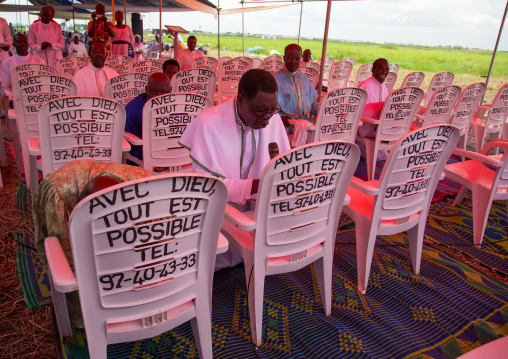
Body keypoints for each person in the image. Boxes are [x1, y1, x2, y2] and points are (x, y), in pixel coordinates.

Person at [180, 68, 290, 270]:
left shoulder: (271, 117)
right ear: (240, 100)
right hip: (219, 214)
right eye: (260, 111)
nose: (267, 118)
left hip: (257, 209)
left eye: (273, 110)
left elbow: (283, 164)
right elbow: (208, 187)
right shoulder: (208, 123)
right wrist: (259, 184)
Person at [33, 160, 154, 328]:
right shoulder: (60, 193)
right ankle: (82, 316)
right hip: (69, 194)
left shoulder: (150, 187)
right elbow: (64, 253)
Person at [124, 72, 171, 162]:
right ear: (146, 90)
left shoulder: (179, 107)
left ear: (170, 91)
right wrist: (152, 159)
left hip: (171, 157)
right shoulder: (132, 110)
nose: (158, 96)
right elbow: (133, 145)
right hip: (142, 159)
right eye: (153, 91)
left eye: (164, 92)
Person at [273, 44, 319, 124]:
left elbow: (313, 104)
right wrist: (280, 118)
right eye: (290, 58)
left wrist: (325, 113)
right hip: (284, 127)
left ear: (300, 58)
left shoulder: (304, 78)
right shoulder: (274, 79)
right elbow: (269, 111)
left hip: (304, 126)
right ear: (284, 58)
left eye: (297, 59)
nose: (293, 61)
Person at [357, 58, 389, 137]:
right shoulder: (365, 86)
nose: (384, 72)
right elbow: (358, 112)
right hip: (364, 127)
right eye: (381, 69)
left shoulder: (384, 86)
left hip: (378, 126)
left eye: (386, 69)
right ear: (373, 70)